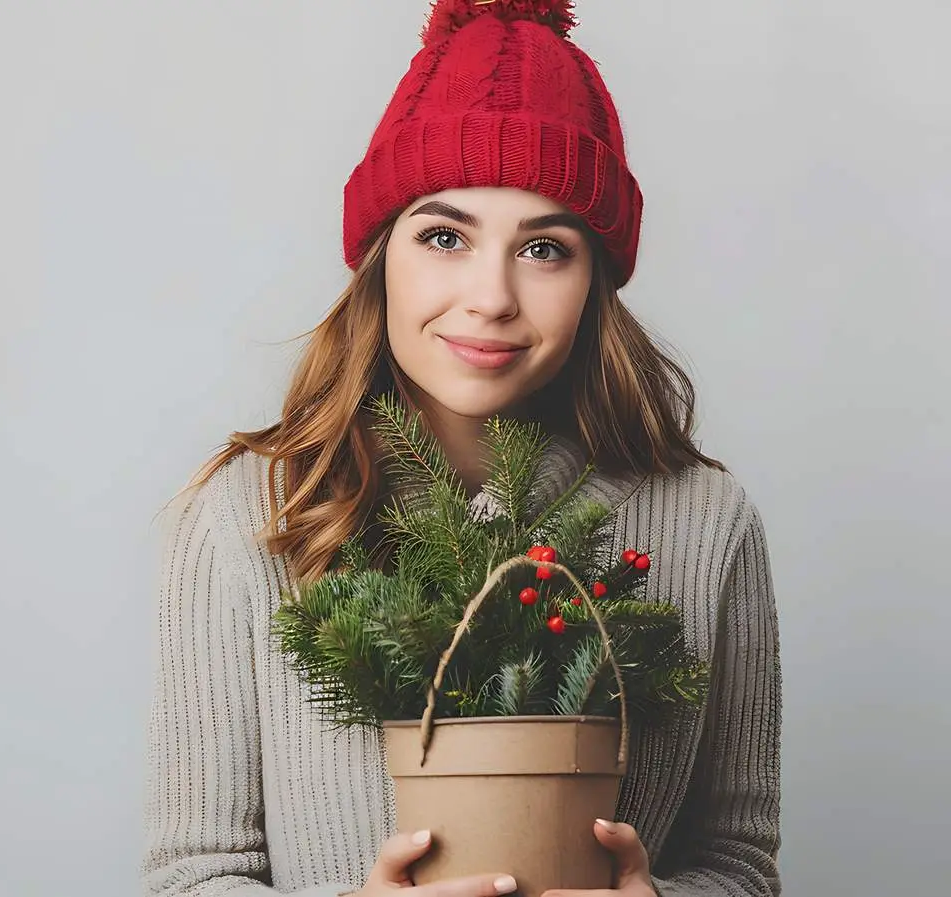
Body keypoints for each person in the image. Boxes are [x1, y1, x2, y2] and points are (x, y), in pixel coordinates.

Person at [137, 1, 783, 896]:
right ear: (380, 256)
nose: (492, 296)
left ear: (595, 278)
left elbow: (740, 860)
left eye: (545, 249)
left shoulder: (706, 522)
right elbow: (191, 875)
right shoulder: (254, 514)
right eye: (445, 237)